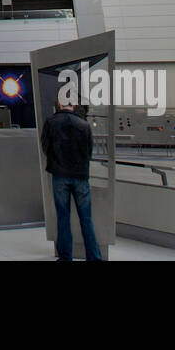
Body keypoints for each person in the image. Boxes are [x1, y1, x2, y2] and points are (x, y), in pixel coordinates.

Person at [40, 100, 102, 261]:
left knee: (63, 217)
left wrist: (56, 162)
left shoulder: (51, 122)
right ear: (74, 106)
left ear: (59, 104)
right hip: (81, 176)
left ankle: (65, 257)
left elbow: (45, 146)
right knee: (86, 219)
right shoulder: (84, 125)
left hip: (60, 175)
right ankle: (94, 257)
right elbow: (89, 151)